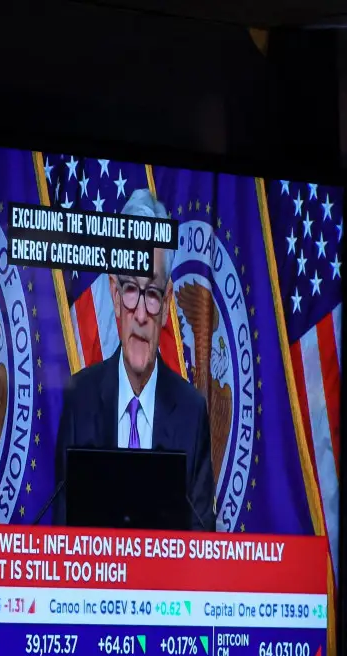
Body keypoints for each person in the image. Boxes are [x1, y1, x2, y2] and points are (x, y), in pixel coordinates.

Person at [53, 188, 215, 532]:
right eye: (130, 290)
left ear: (168, 301)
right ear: (114, 293)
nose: (140, 313)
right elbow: (62, 545)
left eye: (153, 293)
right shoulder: (80, 401)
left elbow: (204, 551)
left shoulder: (191, 413)